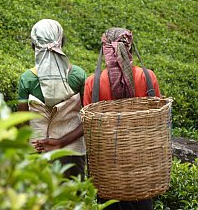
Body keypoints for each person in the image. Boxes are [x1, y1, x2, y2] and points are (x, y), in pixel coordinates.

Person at [83, 27, 161, 210]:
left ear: (105, 50)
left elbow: (88, 128)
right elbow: (158, 121)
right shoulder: (147, 77)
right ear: (130, 48)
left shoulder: (92, 83)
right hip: (142, 171)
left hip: (107, 174)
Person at [18, 19, 86, 180]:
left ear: (34, 45)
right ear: (61, 42)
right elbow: (87, 120)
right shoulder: (78, 75)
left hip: (38, 151)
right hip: (72, 153)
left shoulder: (27, 79)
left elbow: (21, 122)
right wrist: (61, 142)